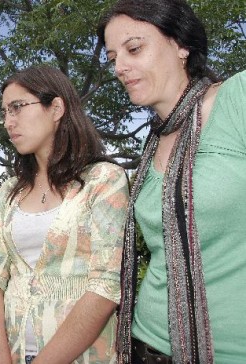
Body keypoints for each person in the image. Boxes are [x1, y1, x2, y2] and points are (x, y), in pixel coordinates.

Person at [98, 0, 246, 362]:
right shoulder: (153, 143)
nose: (120, 67)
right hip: (144, 343)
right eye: (113, 56)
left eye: (134, 49)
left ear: (181, 45)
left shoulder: (236, 99)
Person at [0, 65, 129, 364]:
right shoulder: (10, 191)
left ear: (56, 107)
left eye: (17, 107)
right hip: (14, 351)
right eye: (4, 112)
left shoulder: (103, 180)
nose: (9, 121)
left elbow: (104, 285)